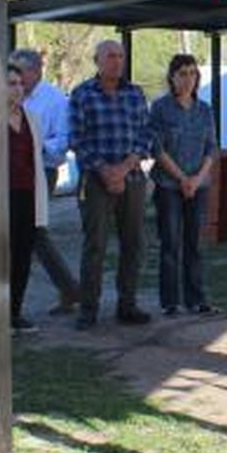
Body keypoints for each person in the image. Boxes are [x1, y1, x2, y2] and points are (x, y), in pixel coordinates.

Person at [67, 39, 152, 329]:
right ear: (97, 61)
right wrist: (106, 171)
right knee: (95, 246)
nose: (117, 61)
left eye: (120, 56)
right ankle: (88, 310)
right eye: (111, 56)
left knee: (134, 244)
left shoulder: (135, 94)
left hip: (134, 178)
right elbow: (76, 139)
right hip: (95, 180)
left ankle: (127, 305)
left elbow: (145, 137)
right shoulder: (82, 94)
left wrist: (125, 167)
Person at [8, 47, 80, 314]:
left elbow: (62, 142)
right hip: (11, 172)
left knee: (34, 230)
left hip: (40, 171)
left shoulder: (55, 101)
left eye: (20, 70)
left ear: (36, 71)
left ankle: (69, 288)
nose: (15, 76)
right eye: (11, 70)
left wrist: (33, 145)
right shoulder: (7, 94)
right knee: (26, 232)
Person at [150, 53, 218, 315]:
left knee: (194, 244)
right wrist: (181, 179)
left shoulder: (204, 110)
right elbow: (157, 149)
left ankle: (196, 299)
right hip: (169, 185)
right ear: (172, 77)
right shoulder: (160, 108)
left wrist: (197, 179)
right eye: (182, 74)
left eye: (192, 73)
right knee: (170, 244)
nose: (188, 79)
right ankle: (170, 302)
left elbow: (211, 148)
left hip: (198, 186)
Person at [6, 63, 50, 332]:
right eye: (11, 83)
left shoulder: (31, 117)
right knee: (2, 256)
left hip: (28, 194)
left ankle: (15, 312)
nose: (18, 88)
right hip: (1, 196)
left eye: (20, 84)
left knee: (22, 255)